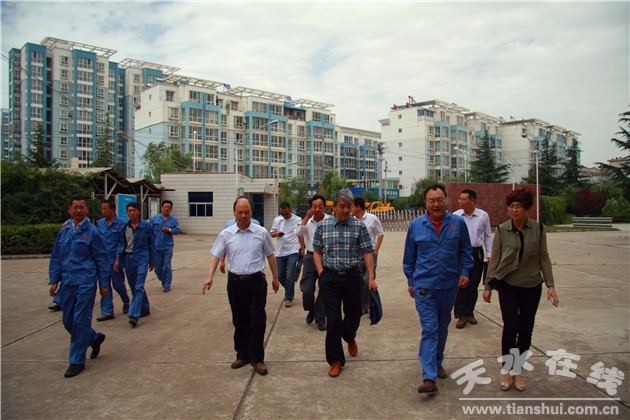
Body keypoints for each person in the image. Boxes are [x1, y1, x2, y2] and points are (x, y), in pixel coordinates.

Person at [482, 188, 559, 392]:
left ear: (528, 208)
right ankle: (506, 370)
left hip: (532, 286)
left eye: (518, 206)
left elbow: (544, 257)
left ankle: (517, 370)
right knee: (511, 327)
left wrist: (550, 285)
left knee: (526, 329)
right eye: (511, 206)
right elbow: (494, 259)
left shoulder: (538, 229)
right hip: (508, 285)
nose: (514, 210)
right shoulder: (502, 230)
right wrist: (488, 286)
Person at [403, 183, 473, 394]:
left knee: (442, 326)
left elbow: (465, 250)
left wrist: (464, 272)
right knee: (430, 328)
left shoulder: (457, 223)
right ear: (425, 203)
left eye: (440, 200)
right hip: (424, 286)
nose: (436, 204)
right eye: (431, 200)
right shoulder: (416, 225)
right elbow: (409, 257)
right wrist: (411, 281)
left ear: (446, 201)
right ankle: (429, 377)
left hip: (449, 285)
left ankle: (437, 361)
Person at [202, 197, 279, 376]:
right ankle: (242, 355)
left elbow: (270, 255)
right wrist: (210, 276)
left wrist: (275, 278)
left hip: (256, 282)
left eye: (247, 212)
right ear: (234, 213)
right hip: (236, 283)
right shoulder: (226, 234)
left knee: (257, 320)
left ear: (251, 212)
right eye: (240, 212)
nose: (244, 215)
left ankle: (257, 359)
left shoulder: (261, 232)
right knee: (239, 320)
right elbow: (216, 255)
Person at [313, 189, 376, 378]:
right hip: (330, 278)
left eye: (349, 206)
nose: (346, 210)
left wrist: (371, 278)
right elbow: (317, 251)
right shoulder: (322, 226)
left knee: (354, 315)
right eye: (342, 206)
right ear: (334, 207)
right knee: (333, 320)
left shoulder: (359, 226)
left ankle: (349, 336)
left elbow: (367, 252)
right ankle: (336, 360)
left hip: (352, 277)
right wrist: (321, 273)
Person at [48, 196, 109, 378]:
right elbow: (57, 256)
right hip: (67, 282)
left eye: (82, 207)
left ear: (87, 209)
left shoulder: (93, 232)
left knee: (80, 320)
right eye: (75, 207)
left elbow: (102, 259)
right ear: (69, 209)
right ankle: (94, 338)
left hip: (85, 281)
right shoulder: (65, 231)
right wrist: (54, 280)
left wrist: (103, 284)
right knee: (68, 320)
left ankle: (76, 361)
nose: (78, 211)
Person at [452, 189, 493, 329]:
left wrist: (489, 254)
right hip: (460, 254)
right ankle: (460, 315)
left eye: (464, 199)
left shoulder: (483, 216)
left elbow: (488, 235)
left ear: (473, 201)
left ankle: (469, 312)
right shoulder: (456, 216)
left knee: (473, 285)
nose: (461, 202)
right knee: (461, 284)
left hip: (476, 253)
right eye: (460, 199)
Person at [115, 202, 154, 328]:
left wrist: (152, 260)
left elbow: (151, 242)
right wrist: (118, 259)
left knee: (139, 286)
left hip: (142, 257)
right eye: (129, 211)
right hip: (129, 259)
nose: (132, 213)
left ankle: (134, 314)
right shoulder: (125, 227)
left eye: (134, 210)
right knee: (134, 286)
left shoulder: (146, 226)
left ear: (138, 212)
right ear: (127, 213)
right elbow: (121, 244)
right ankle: (145, 307)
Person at [295, 194, 329, 331]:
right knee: (307, 289)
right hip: (310, 257)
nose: (317, 209)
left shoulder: (330, 221)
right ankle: (312, 309)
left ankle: (321, 318)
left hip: (326, 257)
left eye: (320, 206)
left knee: (324, 289)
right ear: (311, 208)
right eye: (314, 206)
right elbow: (298, 233)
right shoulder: (307, 222)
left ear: (324, 207)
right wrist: (306, 218)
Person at [96, 199, 130, 321]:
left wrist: (118, 258)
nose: (103, 211)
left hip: (116, 260)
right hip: (102, 261)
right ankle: (107, 311)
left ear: (112, 209)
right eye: (102, 209)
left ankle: (126, 300)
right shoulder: (100, 223)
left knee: (118, 284)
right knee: (104, 285)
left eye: (105, 209)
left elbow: (122, 243)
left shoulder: (121, 223)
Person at [351, 197, 385, 314]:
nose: (350, 209)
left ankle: (366, 305)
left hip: (370, 253)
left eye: (352, 206)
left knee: (367, 279)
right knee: (359, 280)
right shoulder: (352, 220)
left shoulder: (372, 219)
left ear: (358, 207)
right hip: (357, 254)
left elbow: (380, 234)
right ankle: (362, 305)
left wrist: (376, 250)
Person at [271, 202, 302, 308]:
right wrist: (277, 234)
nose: (284, 216)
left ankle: (289, 298)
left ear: (290, 210)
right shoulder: (277, 220)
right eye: (282, 214)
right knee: (280, 276)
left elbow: (300, 235)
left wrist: (302, 249)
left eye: (286, 213)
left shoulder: (297, 219)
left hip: (293, 250)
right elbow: (272, 233)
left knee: (290, 276)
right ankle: (290, 289)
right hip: (280, 252)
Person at [151, 200, 180, 293]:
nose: (166, 209)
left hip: (168, 246)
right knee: (157, 267)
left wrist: (169, 230)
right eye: (165, 207)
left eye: (168, 207)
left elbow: (178, 230)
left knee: (167, 266)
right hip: (156, 246)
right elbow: (150, 231)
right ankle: (163, 279)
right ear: (161, 208)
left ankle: (167, 285)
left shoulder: (173, 220)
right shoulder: (155, 219)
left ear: (171, 209)